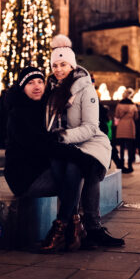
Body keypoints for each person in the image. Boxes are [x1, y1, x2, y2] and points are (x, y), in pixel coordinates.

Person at [45, 34, 123, 249]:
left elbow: (90, 127)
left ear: (72, 65)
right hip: (65, 145)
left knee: (76, 168)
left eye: (63, 65)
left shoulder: (85, 88)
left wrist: (62, 137)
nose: (59, 69)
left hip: (89, 143)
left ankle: (88, 226)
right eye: (55, 65)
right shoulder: (51, 90)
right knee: (64, 168)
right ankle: (76, 226)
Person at [5, 66, 87, 252]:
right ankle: (71, 225)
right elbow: (40, 146)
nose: (37, 86)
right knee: (73, 164)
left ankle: (65, 226)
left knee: (73, 166)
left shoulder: (46, 109)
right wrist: (78, 155)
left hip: (45, 170)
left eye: (40, 81)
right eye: (31, 83)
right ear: (22, 87)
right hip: (25, 178)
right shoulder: (18, 113)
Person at [114, 88, 138, 173]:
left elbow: (116, 115)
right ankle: (130, 165)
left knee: (122, 147)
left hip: (121, 126)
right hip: (130, 126)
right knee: (130, 147)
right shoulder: (133, 106)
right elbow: (136, 117)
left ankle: (122, 164)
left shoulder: (119, 105)